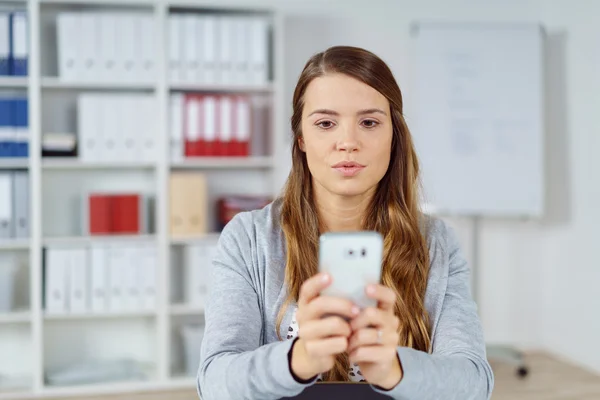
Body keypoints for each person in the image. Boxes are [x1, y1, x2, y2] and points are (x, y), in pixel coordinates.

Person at [196, 45, 494, 400]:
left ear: (393, 136)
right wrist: (298, 359)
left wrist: (394, 370)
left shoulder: (436, 241)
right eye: (325, 123)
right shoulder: (248, 238)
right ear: (302, 138)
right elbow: (214, 382)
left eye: (369, 122)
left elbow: (475, 384)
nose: (348, 142)